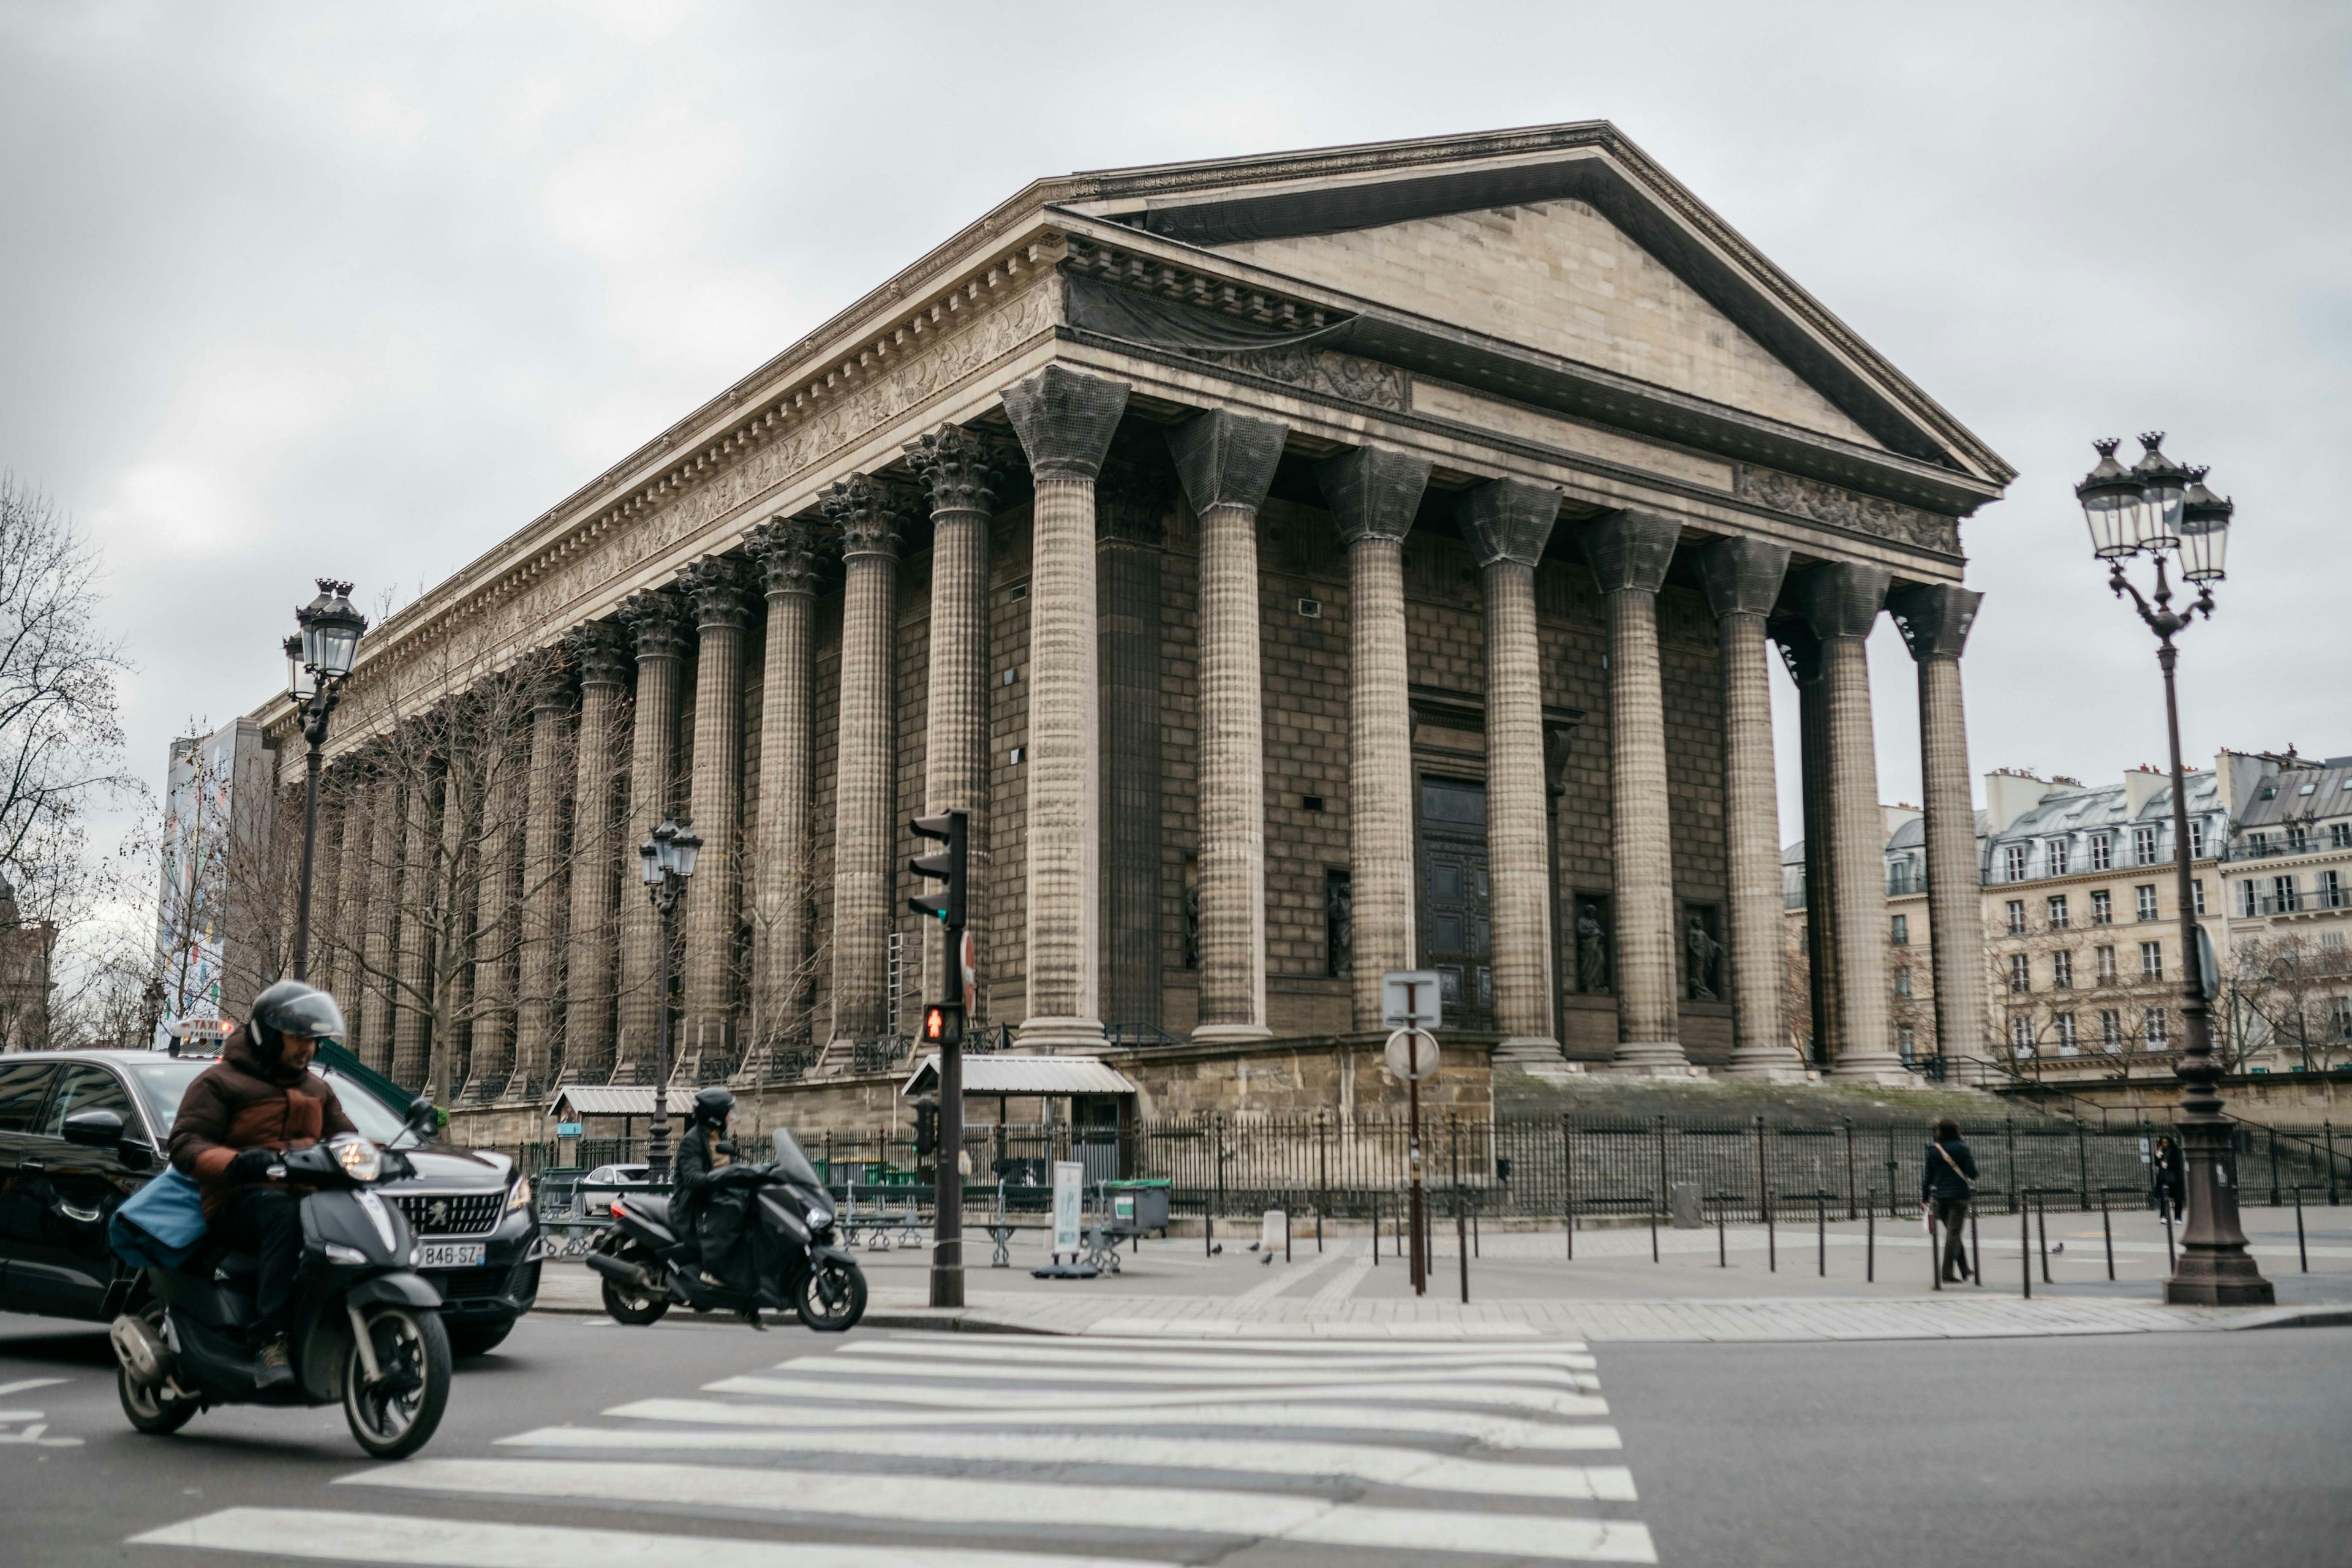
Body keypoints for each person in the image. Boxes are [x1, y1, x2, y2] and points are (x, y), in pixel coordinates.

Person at [167, 980, 358, 1389]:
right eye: (297, 1038)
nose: (307, 1049)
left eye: (313, 1040)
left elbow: (346, 1138)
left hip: (304, 1196)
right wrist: (237, 1163)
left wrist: (384, 1155)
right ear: (267, 1035)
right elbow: (185, 1144)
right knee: (281, 1212)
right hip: (238, 1200)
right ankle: (269, 1340)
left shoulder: (318, 1089)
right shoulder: (219, 1083)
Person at [668, 1086, 760, 1313]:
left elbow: (734, 1166)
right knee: (732, 1215)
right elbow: (692, 1178)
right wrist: (721, 1178)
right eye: (728, 1112)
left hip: (714, 1199)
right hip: (693, 1204)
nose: (731, 1116)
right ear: (716, 1115)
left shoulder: (720, 1137)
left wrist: (759, 1173)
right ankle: (712, 1272)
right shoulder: (693, 1141)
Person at [1918, 1117, 1977, 1284]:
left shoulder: (1934, 1150)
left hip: (1939, 1198)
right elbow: (1973, 1173)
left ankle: (1965, 1268)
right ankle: (1946, 1272)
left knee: (1953, 1233)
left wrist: (1924, 1199)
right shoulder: (1962, 1148)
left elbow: (1927, 1177)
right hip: (1958, 1196)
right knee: (1953, 1233)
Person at [2153, 1136, 2186, 1221]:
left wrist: (2167, 1166)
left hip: (2175, 1178)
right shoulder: (2161, 1151)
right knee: (2164, 1198)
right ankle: (2163, 1216)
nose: (2165, 1145)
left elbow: (2178, 1165)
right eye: (2163, 1143)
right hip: (2164, 1178)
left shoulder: (2176, 1151)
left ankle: (2178, 1217)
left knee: (2177, 1199)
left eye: (2166, 1143)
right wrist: (2158, 1154)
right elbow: (2157, 1163)